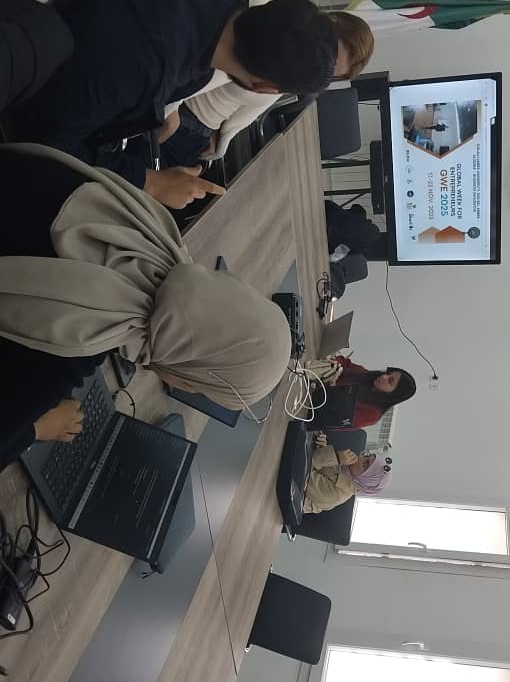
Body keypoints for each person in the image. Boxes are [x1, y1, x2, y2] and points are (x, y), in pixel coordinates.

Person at [0, 144, 292, 472]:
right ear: (187, 383)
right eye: (198, 386)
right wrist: (36, 428)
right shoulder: (68, 346)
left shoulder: (140, 218)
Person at [12, 0, 340, 205]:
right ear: (265, 88)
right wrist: (149, 182)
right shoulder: (146, 72)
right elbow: (45, 141)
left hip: (37, 33)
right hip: (27, 101)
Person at [139, 0, 375, 169]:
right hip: (170, 103)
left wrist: (221, 138)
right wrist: (169, 111)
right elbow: (198, 57)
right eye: (330, 55)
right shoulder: (273, 22)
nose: (320, 66)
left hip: (195, 127)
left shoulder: (292, 76)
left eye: (330, 73)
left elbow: (245, 112)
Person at [309, 358, 417, 430]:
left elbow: (338, 422)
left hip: (309, 410)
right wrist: (335, 363)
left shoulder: (373, 413)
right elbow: (345, 363)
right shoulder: (364, 374)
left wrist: (332, 389)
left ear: (394, 395)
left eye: (390, 381)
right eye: (388, 374)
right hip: (308, 384)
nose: (384, 377)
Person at [303, 433, 392, 514]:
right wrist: (322, 445)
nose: (360, 457)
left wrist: (336, 457)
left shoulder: (336, 495)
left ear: (362, 481)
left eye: (365, 465)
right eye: (367, 455)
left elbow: (301, 472)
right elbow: (324, 468)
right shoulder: (344, 470)